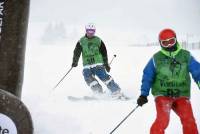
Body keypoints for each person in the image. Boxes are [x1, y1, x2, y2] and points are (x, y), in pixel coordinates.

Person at [137, 28, 200, 134]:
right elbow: (148, 76)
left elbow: (198, 72)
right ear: (161, 44)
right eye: (165, 43)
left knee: (189, 120)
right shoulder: (156, 58)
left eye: (171, 41)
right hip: (163, 95)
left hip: (181, 95)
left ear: (176, 39)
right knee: (163, 120)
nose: (169, 45)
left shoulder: (186, 56)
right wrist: (143, 94)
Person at [71, 23, 124, 98]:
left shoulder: (98, 40)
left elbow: (104, 53)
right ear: (86, 31)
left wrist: (106, 64)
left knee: (104, 77)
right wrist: (74, 62)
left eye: (92, 31)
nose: (90, 33)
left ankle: (116, 91)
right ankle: (98, 92)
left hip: (97, 63)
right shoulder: (81, 41)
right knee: (87, 77)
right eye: (89, 31)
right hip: (87, 64)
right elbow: (76, 52)